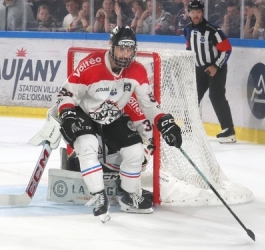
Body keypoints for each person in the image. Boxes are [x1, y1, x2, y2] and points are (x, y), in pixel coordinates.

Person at [55, 26, 183, 221]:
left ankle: (128, 196)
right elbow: (67, 93)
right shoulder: (91, 65)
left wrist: (164, 121)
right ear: (111, 46)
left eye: (130, 49)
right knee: (87, 144)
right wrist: (67, 114)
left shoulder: (137, 71)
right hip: (86, 113)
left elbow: (149, 105)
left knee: (135, 152)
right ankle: (98, 196)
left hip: (112, 117)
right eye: (122, 48)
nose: (126, 54)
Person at [183, 0, 236, 142]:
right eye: (193, 12)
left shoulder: (213, 31)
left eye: (198, 12)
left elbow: (227, 50)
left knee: (216, 96)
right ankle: (188, 128)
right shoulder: (187, 29)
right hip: (199, 69)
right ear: (189, 13)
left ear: (203, 13)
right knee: (192, 97)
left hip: (215, 69)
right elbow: (189, 47)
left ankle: (229, 131)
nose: (195, 15)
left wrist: (216, 66)